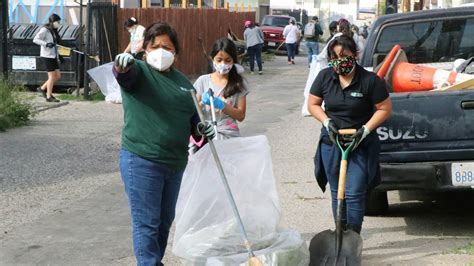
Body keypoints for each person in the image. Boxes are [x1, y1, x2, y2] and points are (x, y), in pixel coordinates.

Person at [112, 22, 215, 266]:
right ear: (144, 49)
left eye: (166, 46)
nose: (160, 51)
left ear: (175, 52)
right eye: (155, 45)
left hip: (174, 163)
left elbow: (193, 125)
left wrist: (202, 129)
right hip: (142, 160)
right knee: (146, 224)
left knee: (163, 222)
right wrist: (120, 66)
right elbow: (124, 76)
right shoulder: (138, 71)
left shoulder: (184, 84)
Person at [307, 35, 392, 234]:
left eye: (344, 55)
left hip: (360, 144)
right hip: (332, 142)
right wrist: (327, 122)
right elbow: (313, 104)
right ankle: (340, 233)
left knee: (354, 193)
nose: (339, 60)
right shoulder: (325, 77)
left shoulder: (370, 81)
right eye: (334, 56)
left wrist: (365, 130)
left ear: (355, 54)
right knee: (338, 193)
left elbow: (385, 109)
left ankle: (353, 235)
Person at [193, 38, 248, 141]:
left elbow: (241, 116)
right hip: (206, 135)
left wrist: (222, 105)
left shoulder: (238, 84)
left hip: (229, 136)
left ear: (233, 61)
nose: (223, 64)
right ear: (212, 59)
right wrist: (201, 103)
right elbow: (192, 113)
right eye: (219, 60)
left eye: (228, 60)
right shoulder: (202, 81)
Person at [33, 13, 63, 102]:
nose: (58, 23)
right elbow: (35, 39)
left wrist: (59, 55)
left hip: (53, 55)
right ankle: (49, 96)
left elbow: (55, 44)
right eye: (57, 22)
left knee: (57, 76)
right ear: (52, 21)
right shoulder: (45, 30)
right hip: (47, 56)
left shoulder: (53, 31)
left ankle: (42, 88)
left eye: (59, 22)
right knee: (52, 77)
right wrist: (46, 44)